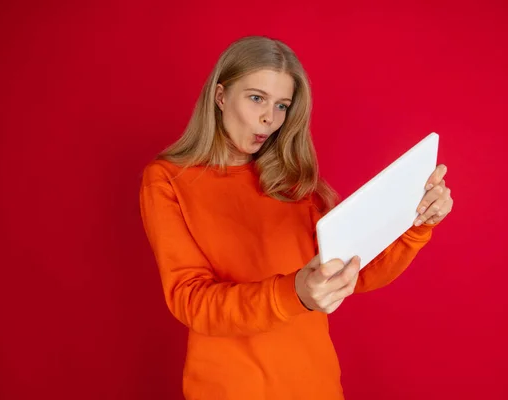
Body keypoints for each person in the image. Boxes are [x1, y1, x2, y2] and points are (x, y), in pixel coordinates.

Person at [139, 35, 453, 400]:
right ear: (221, 96)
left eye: (282, 105)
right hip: (229, 390)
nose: (268, 119)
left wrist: (416, 225)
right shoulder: (168, 180)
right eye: (256, 98)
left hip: (316, 386)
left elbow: (355, 272)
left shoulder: (294, 184)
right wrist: (295, 293)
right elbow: (191, 300)